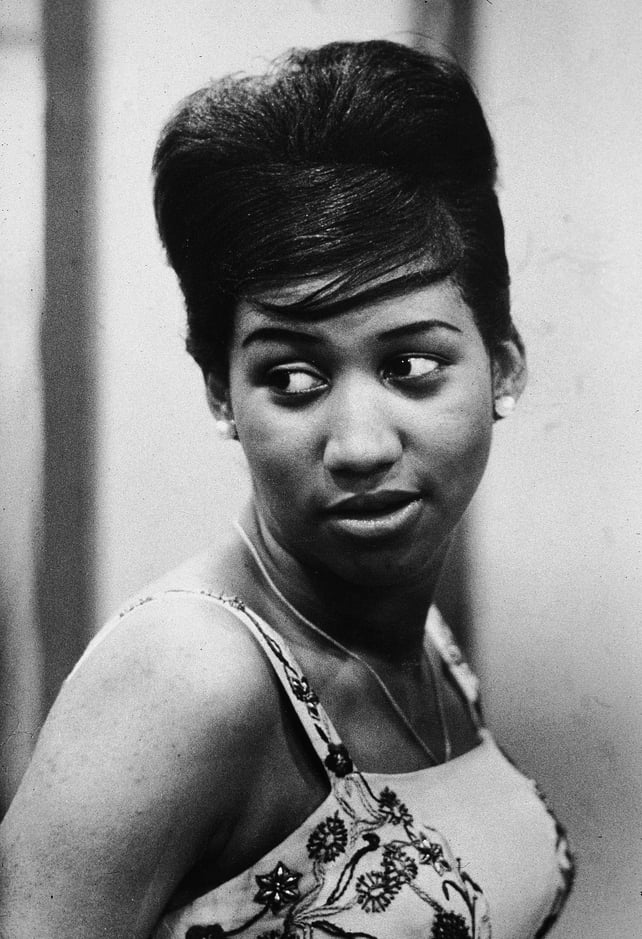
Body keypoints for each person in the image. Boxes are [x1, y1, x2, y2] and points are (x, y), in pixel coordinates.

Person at [0, 40, 573, 939]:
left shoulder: (415, 635)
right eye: (294, 378)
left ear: (501, 366)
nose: (357, 443)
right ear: (221, 392)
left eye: (411, 364)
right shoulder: (190, 675)